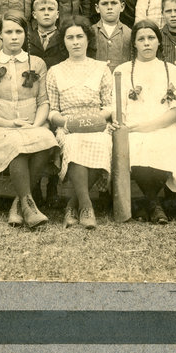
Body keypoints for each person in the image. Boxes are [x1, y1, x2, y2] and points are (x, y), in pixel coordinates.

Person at [0, 12, 57, 228]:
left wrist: (35, 125)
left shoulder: (37, 63)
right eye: (8, 32)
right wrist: (10, 123)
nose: (14, 36)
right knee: (16, 145)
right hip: (1, 126)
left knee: (46, 139)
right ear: (0, 35)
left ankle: (19, 203)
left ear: (25, 34)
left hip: (33, 124)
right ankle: (29, 206)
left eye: (18, 31)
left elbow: (44, 102)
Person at [113, 21, 176, 224]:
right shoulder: (123, 70)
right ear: (134, 44)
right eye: (141, 39)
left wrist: (148, 126)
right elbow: (116, 107)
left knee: (166, 141)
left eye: (151, 38)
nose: (146, 43)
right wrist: (129, 126)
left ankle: (149, 203)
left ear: (159, 42)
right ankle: (154, 204)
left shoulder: (171, 70)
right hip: (132, 126)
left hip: (164, 125)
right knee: (135, 145)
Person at [46, 16, 115, 229]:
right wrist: (68, 122)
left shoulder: (101, 68)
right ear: (63, 41)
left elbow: (109, 105)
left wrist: (94, 120)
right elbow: (53, 111)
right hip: (68, 126)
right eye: (70, 37)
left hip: (97, 124)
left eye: (79, 36)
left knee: (101, 143)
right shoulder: (55, 71)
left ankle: (72, 205)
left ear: (87, 39)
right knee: (74, 145)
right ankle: (86, 206)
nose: (75, 42)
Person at [91, 0, 132, 72]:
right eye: (104, 3)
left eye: (114, 3)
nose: (109, 7)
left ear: (122, 6)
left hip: (121, 80)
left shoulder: (129, 33)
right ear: (97, 8)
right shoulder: (90, 32)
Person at [27, 0, 68, 67]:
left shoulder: (64, 38)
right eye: (42, 9)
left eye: (51, 9)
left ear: (57, 14)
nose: (46, 13)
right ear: (34, 15)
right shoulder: (27, 39)